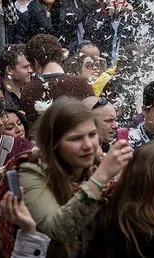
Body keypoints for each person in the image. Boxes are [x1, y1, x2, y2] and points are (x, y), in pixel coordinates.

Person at [18, 98, 132, 258]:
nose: (88, 145)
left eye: (92, 135)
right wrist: (101, 177)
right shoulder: (31, 171)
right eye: (76, 138)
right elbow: (57, 229)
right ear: (54, 142)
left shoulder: (95, 167)